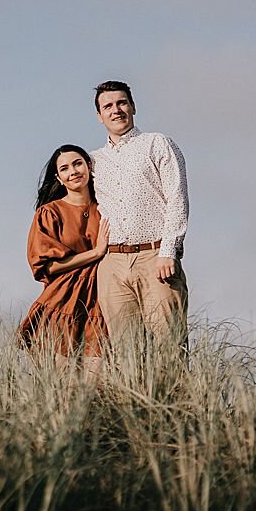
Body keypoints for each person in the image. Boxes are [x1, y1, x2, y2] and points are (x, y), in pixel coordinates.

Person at [89, 80, 189, 355]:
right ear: (99, 116)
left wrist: (169, 251)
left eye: (121, 103)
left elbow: (177, 197)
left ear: (133, 107)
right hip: (112, 265)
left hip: (155, 257)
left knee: (169, 349)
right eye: (107, 106)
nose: (116, 110)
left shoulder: (157, 143)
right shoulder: (93, 161)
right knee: (125, 354)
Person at [18, 143, 109, 359]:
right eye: (65, 169)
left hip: (101, 302)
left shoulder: (107, 208)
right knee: (63, 384)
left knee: (99, 381)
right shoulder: (49, 212)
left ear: (88, 166)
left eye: (77, 164)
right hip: (62, 301)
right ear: (59, 178)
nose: (73, 172)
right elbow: (46, 266)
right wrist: (95, 253)